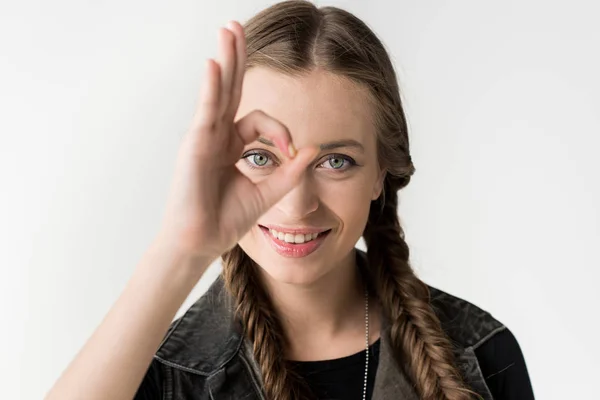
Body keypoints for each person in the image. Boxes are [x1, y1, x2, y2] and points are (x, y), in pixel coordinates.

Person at [45, 1, 535, 399]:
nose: (296, 204)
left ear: (381, 175)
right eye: (261, 158)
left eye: (336, 161)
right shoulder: (160, 376)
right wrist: (181, 247)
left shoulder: (481, 356)